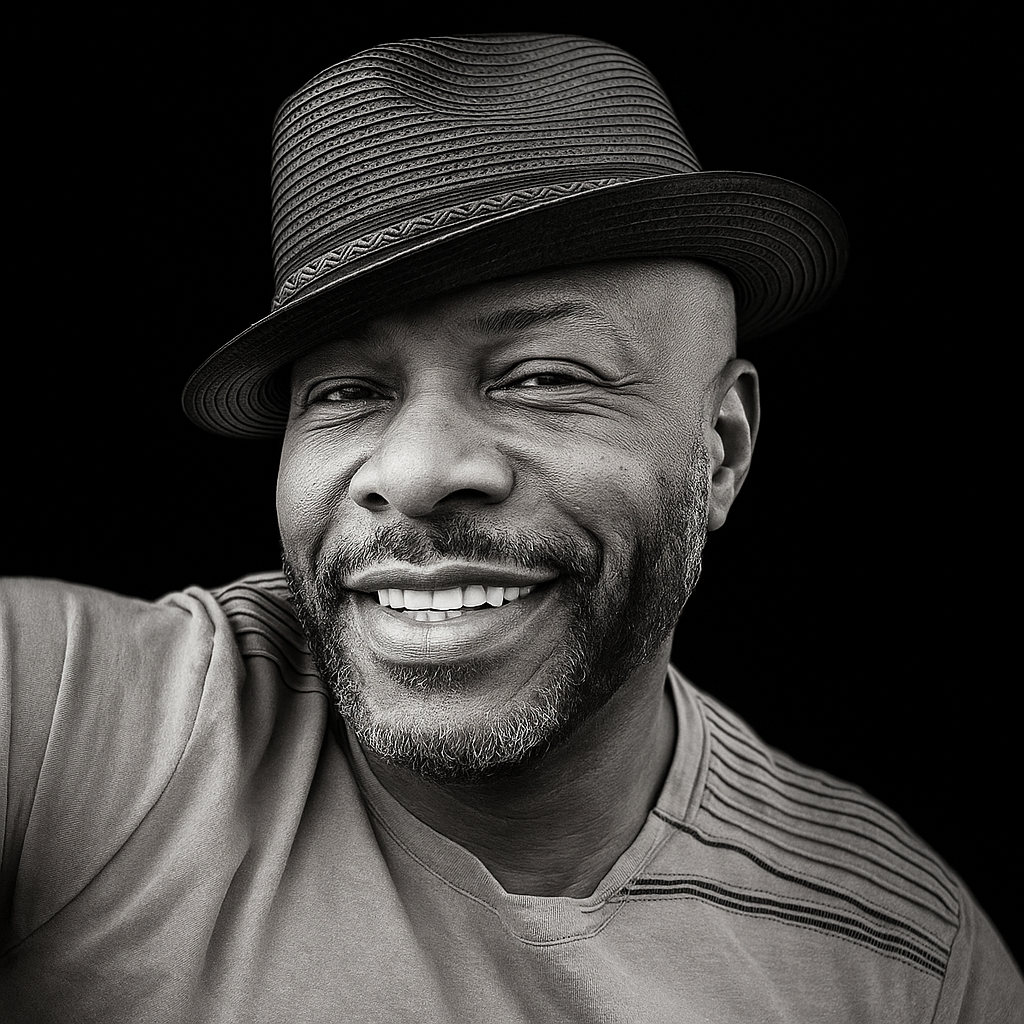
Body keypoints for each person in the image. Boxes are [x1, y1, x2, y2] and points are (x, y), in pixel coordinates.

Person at [1, 32, 1020, 1022]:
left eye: (541, 377)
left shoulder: (898, 960)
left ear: (722, 447)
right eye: (346, 392)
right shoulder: (79, 723)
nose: (415, 472)